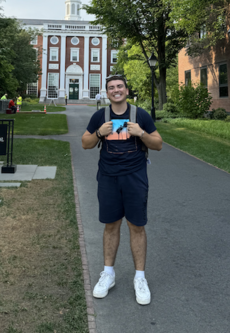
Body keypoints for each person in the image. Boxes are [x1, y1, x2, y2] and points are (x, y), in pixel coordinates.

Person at [82, 75, 162, 305]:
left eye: (119, 87)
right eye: (111, 88)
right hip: (108, 178)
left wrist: (141, 134)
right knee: (111, 225)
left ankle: (140, 278)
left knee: (137, 226)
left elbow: (158, 144)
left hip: (135, 178)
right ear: (107, 93)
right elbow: (85, 143)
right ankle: (108, 274)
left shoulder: (140, 115)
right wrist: (99, 133)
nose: (116, 90)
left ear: (126, 90)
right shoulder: (101, 116)